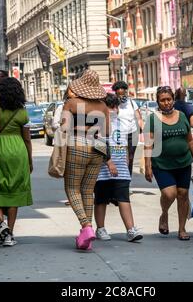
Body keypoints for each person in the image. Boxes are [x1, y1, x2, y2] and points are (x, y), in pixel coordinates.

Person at [60, 69, 109, 250]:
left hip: (77, 145)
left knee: (72, 188)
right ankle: (85, 237)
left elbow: (64, 127)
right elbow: (107, 132)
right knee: (88, 191)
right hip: (97, 147)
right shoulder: (103, 106)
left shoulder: (72, 103)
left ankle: (86, 226)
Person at [144, 86, 193, 241]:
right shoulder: (152, 118)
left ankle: (182, 229)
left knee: (183, 195)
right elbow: (148, 144)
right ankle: (164, 214)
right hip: (162, 164)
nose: (166, 103)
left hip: (183, 163)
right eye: (162, 100)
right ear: (158, 102)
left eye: (169, 99)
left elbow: (189, 139)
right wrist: (147, 165)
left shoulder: (182, 116)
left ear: (173, 100)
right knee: (170, 194)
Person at [0, 77, 33, 247]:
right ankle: (9, 234)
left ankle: (1, 224)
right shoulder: (22, 112)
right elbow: (27, 140)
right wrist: (30, 160)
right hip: (18, 150)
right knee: (13, 190)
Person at [94, 93, 143, 243]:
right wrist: (109, 162)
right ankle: (100, 228)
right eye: (110, 107)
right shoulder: (99, 124)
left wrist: (127, 157)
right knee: (101, 199)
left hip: (121, 168)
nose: (114, 109)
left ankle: (130, 229)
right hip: (102, 169)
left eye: (115, 106)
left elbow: (125, 142)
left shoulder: (122, 123)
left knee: (124, 198)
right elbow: (98, 144)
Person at [112, 81, 143, 176]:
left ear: (126, 92)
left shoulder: (132, 103)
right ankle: (121, 178)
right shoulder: (114, 104)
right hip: (120, 136)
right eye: (119, 94)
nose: (122, 96)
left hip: (133, 133)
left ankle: (128, 179)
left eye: (124, 93)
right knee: (121, 157)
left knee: (130, 157)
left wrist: (141, 126)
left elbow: (138, 117)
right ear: (116, 94)